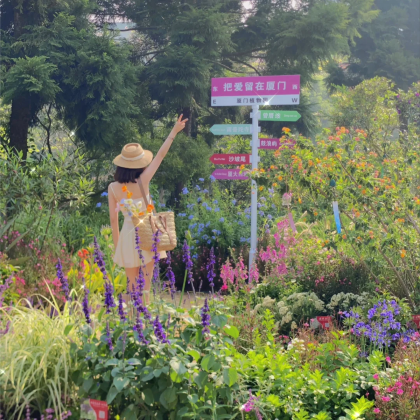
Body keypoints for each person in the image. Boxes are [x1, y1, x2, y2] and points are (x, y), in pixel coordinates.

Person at [108, 115, 188, 300]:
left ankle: (132, 322)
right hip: (148, 234)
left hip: (127, 237)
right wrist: (173, 132)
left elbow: (113, 220)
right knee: (146, 285)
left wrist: (116, 245)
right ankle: (146, 321)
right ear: (139, 163)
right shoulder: (144, 180)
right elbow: (160, 155)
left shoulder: (112, 188)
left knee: (132, 287)